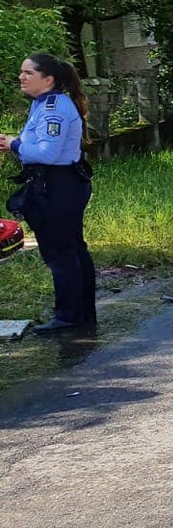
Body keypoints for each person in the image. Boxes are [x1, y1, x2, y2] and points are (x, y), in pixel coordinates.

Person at [0, 53, 96, 332]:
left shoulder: (54, 108)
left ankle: (69, 317)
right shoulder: (42, 104)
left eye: (28, 73)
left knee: (60, 253)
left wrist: (15, 145)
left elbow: (47, 153)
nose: (21, 77)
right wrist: (14, 143)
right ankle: (81, 314)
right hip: (57, 183)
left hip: (59, 186)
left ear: (48, 80)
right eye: (21, 72)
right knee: (71, 249)